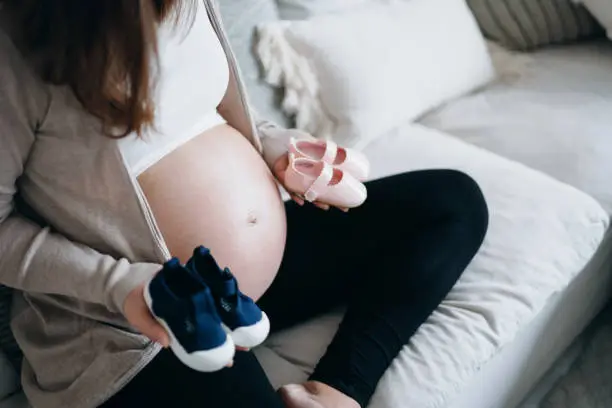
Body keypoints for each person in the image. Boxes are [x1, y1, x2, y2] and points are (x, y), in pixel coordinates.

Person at [0, 1, 489, 407]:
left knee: (452, 203)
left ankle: (335, 393)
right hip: (136, 325)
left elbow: (203, 109)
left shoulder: (188, 6)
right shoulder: (18, 53)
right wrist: (123, 286)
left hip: (240, 293)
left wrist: (273, 145)